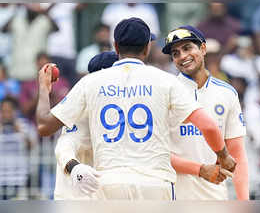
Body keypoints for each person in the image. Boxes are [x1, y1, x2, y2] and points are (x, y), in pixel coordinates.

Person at [36, 17, 236, 200]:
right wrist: (223, 156)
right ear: (147, 48)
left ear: (115, 47)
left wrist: (44, 89)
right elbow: (209, 126)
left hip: (109, 184)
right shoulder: (165, 81)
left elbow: (44, 126)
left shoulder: (90, 82)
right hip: (155, 184)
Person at [162, 25, 249, 200]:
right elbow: (157, 154)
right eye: (175, 53)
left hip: (215, 196)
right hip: (174, 197)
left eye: (187, 48)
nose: (182, 56)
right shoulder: (165, 90)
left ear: (203, 48)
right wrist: (200, 170)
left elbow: (237, 155)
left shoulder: (227, 93)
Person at [54, 51, 118, 200]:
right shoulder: (83, 111)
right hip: (76, 200)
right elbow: (65, 146)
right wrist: (74, 166)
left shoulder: (114, 108)